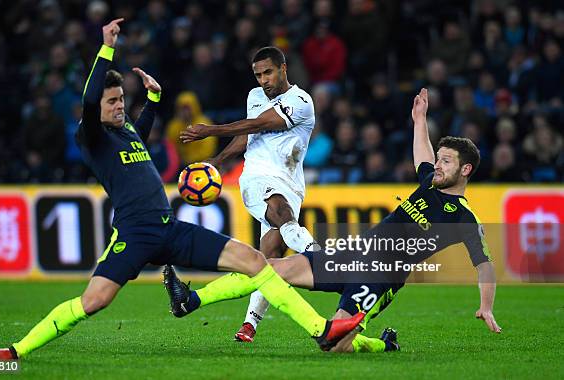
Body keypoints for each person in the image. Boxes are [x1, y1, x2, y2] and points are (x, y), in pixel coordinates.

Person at [0, 19, 362, 361]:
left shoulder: (126, 132)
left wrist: (152, 99)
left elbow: (142, 131)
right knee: (93, 301)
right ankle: (15, 350)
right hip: (135, 234)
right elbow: (88, 98)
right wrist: (107, 47)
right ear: (95, 106)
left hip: (169, 227)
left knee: (255, 261)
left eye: (120, 100)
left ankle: (321, 329)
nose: (119, 107)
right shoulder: (92, 137)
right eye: (112, 101)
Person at [168, 88, 502, 353]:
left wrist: (486, 305)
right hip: (353, 255)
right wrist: (419, 121)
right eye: (440, 160)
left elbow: (484, 263)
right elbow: (423, 156)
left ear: (466, 170)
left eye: (447, 162)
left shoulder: (463, 218)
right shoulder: (430, 182)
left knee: (334, 345)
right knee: (266, 267)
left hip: (380, 278)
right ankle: (190, 300)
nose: (438, 166)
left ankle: (383, 343)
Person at [178, 46, 319, 343]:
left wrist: (209, 131)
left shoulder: (301, 101)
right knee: (281, 214)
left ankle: (246, 323)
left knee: (269, 258)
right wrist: (215, 163)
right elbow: (246, 137)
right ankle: (321, 259)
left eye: (268, 72)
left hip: (291, 183)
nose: (263, 80)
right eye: (258, 75)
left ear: (283, 69)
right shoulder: (254, 97)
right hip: (255, 179)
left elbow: (259, 124)